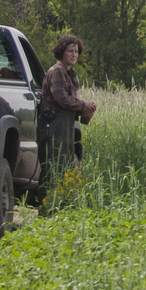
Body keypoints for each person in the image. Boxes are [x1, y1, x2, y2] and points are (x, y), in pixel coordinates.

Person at [38, 33, 98, 182]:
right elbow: (62, 98)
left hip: (65, 128)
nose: (74, 54)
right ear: (61, 52)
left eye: (76, 51)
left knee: (66, 164)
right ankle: (48, 200)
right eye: (70, 51)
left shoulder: (69, 73)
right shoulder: (57, 71)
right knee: (53, 166)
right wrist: (83, 104)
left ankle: (63, 199)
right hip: (53, 127)